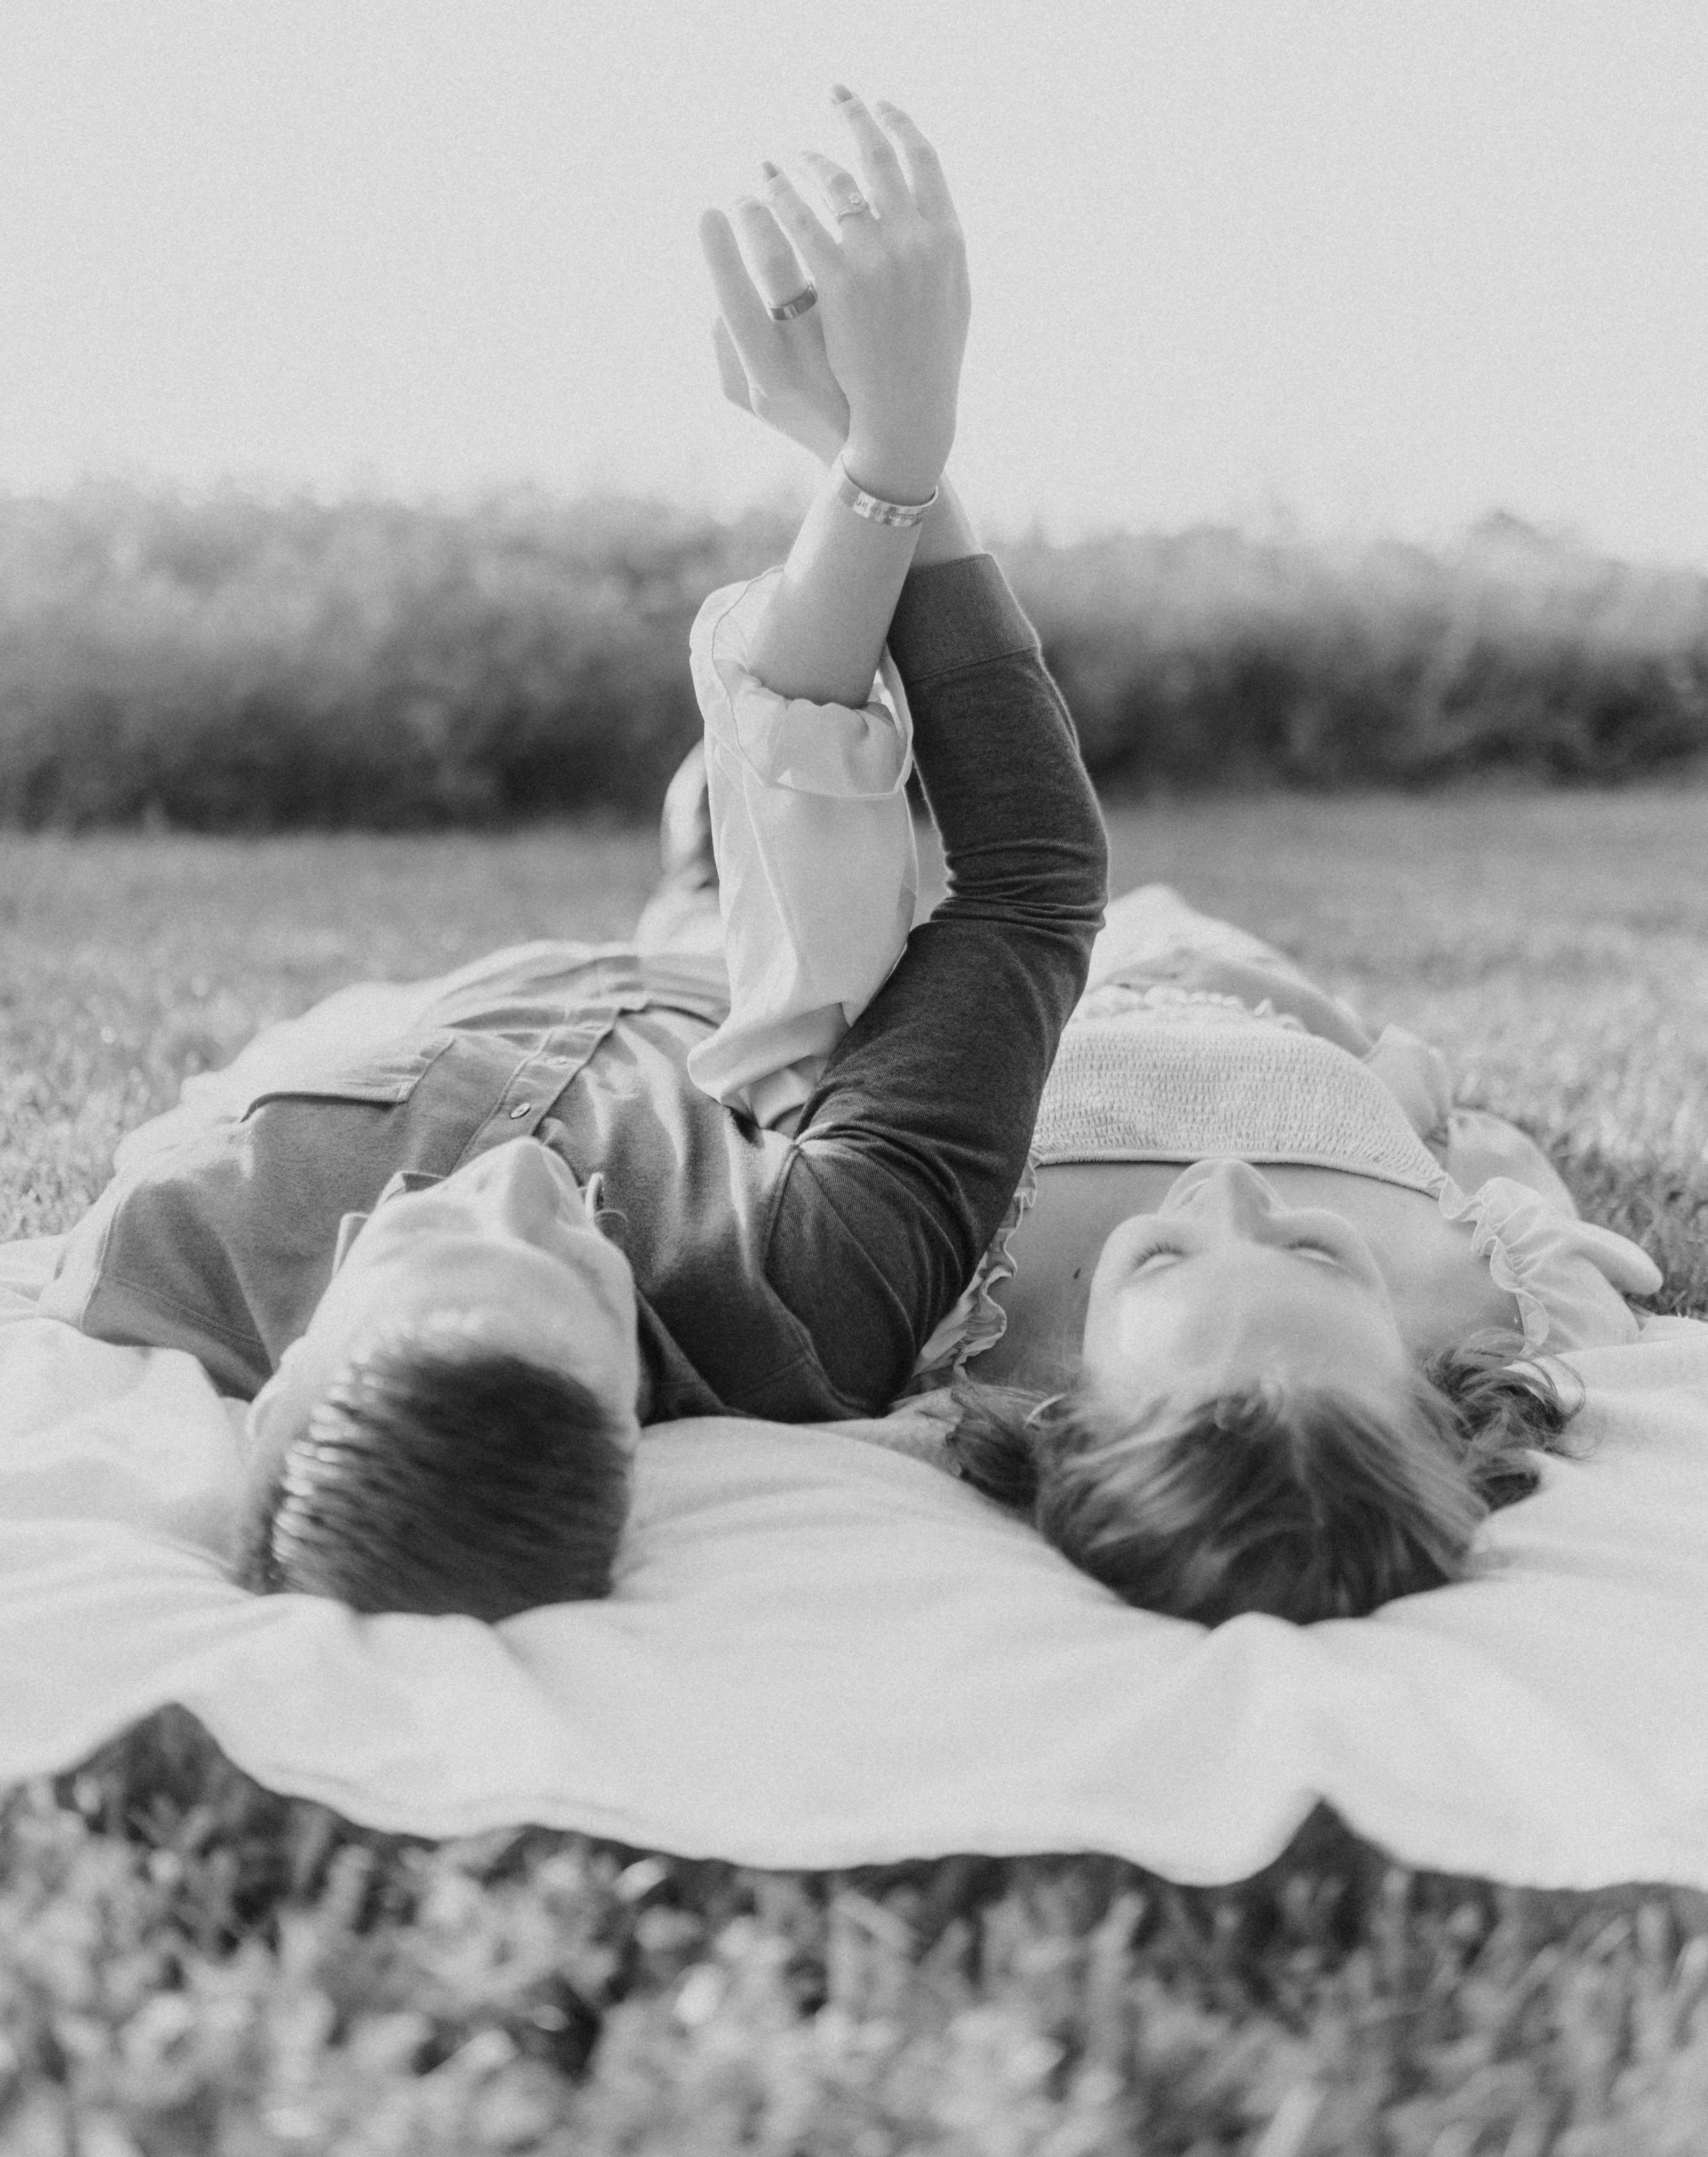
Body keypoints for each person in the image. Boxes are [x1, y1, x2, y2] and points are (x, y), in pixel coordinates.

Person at [35, 88, 1108, 1621]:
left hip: (599, 960)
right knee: (784, 799)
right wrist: (907, 453)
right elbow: (1031, 885)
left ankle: (845, 488)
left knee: (753, 766)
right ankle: (853, 477)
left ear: (274, 1401)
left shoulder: (165, 1244)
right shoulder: (808, 1311)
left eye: (448, 1246)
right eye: (587, 1283)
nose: (531, 1190)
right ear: (640, 1423)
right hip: (758, 985)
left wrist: (880, 464)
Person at [701, 195, 1666, 1631]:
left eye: (1159, 1259)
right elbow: (1480, 1148)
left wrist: (884, 454)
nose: (1220, 1193)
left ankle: (678, 864)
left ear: (1059, 1415)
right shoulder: (1504, 1296)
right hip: (1253, 986)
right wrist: (1394, 1117)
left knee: (743, 923)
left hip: (1034, 981)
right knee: (1170, 919)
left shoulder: (936, 1305)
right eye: (1311, 1250)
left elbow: (819, 819)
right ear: (1433, 1384)